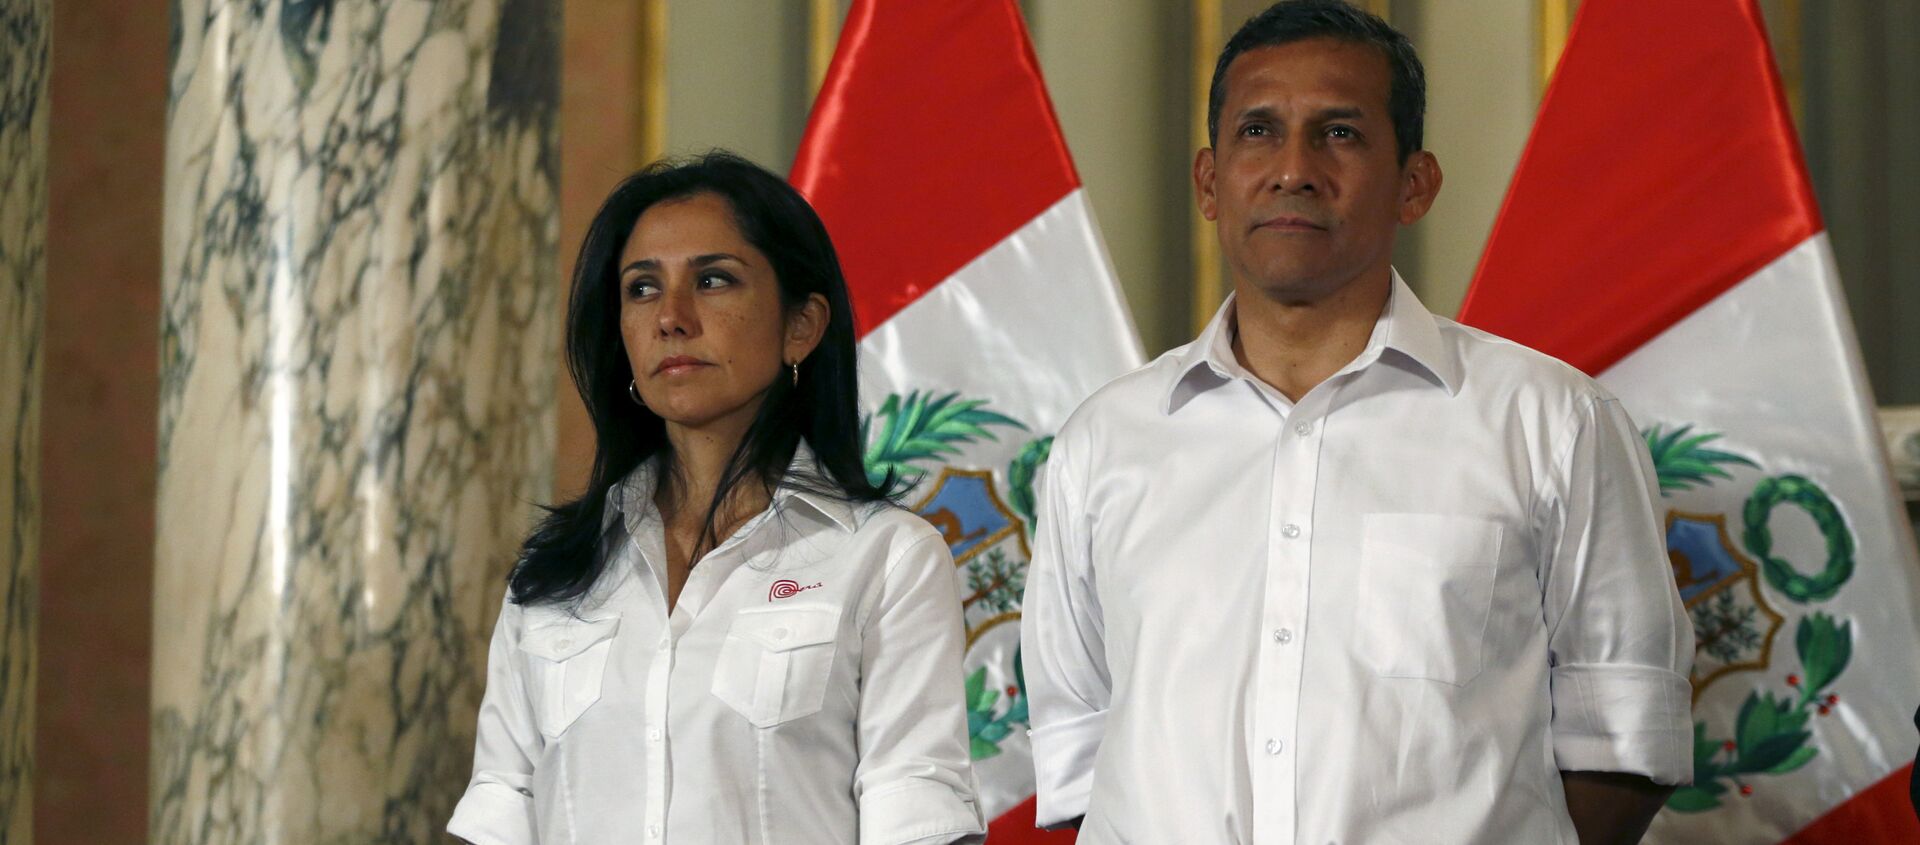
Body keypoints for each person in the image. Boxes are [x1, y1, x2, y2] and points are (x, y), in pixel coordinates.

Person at [1020, 2, 1692, 842]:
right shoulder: (1107, 440)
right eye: (1258, 131)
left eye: (1339, 133)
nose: (1293, 169)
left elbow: (1624, 745)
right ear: (1207, 180)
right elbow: (1080, 755)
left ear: (1415, 184)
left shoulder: (1552, 423)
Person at [449, 152, 985, 845]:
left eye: (712, 280)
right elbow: (500, 806)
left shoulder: (885, 559)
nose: (671, 316)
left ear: (802, 325)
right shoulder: (555, 569)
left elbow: (919, 821)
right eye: (642, 288)